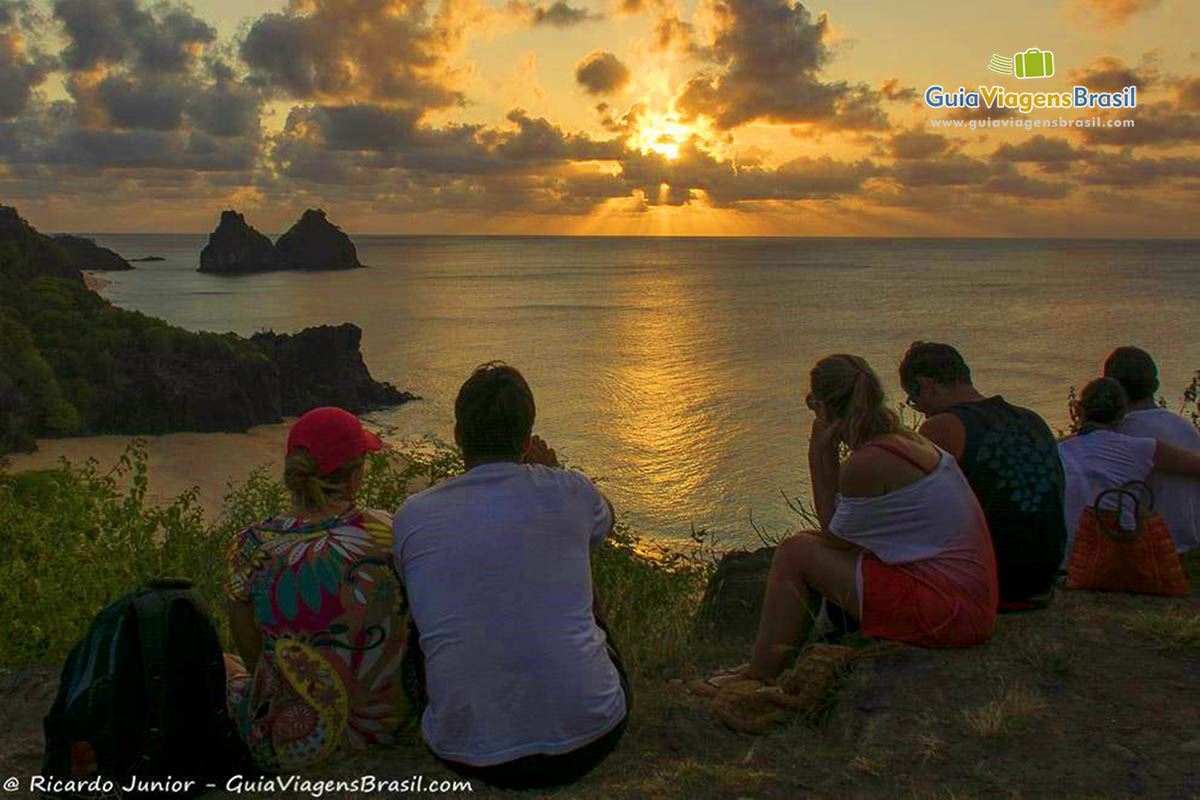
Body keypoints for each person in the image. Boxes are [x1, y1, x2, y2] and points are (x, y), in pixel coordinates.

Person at [392, 362, 629, 790]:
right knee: (569, 558)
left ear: (458, 436)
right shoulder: (570, 491)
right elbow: (605, 520)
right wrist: (551, 473)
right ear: (526, 437)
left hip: (465, 752)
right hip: (593, 734)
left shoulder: (413, 517)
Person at [712, 355, 998, 685]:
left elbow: (835, 536)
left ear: (826, 409)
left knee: (796, 552)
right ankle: (762, 665)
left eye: (812, 404)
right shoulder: (906, 440)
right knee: (805, 543)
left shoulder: (867, 463)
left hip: (951, 613)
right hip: (968, 602)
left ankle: (758, 675)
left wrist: (819, 454)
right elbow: (848, 539)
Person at [224, 407, 408, 772]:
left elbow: (257, 660)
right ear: (354, 477)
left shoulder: (250, 545)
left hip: (292, 748)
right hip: (388, 729)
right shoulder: (388, 532)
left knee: (224, 663)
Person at [899, 342, 1066, 608]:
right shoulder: (1032, 419)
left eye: (914, 400)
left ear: (926, 385)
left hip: (992, 583)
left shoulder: (943, 427)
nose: (919, 409)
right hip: (1043, 578)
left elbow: (913, 513)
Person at [1059, 377, 1200, 554]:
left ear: (1079, 410)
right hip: (1120, 554)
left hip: (1067, 555)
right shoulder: (1140, 448)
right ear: (1123, 414)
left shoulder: (1060, 450)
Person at [1104, 346, 1200, 552]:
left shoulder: (1121, 433)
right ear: (1154, 384)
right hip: (1192, 540)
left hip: (1152, 545)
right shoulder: (1185, 426)